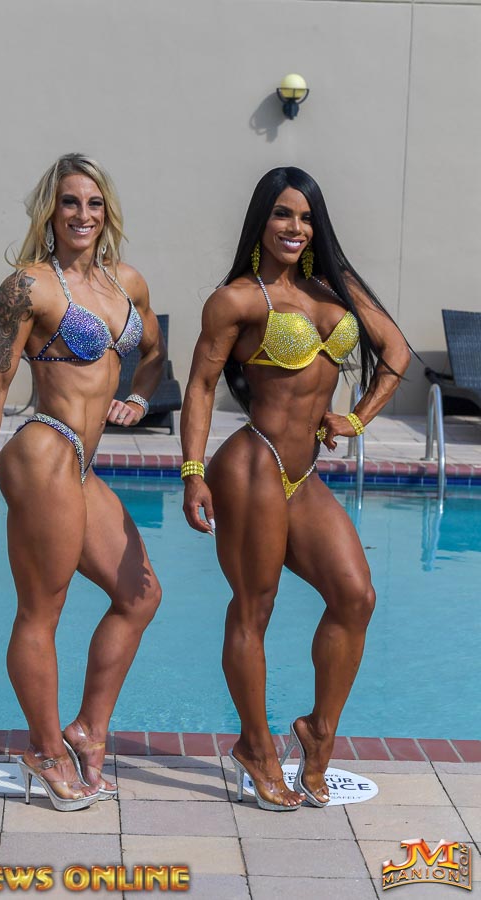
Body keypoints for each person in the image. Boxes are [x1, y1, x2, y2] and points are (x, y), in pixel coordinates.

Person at [180, 167, 410, 811]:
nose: (295, 227)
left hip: (304, 473)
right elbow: (200, 385)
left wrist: (356, 418)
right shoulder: (237, 299)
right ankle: (255, 746)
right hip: (252, 463)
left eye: (306, 217)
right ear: (262, 219)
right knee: (255, 607)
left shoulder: (336, 288)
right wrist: (193, 472)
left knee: (356, 596)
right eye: (283, 214)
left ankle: (318, 729)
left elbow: (395, 353)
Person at [0, 153, 164, 811]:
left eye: (94, 203)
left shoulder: (127, 283)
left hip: (81, 462)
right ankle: (46, 750)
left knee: (140, 595)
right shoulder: (29, 286)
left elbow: (154, 354)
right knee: (41, 611)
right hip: (44, 447)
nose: (82, 214)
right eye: (70, 202)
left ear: (107, 212)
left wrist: (139, 397)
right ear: (51, 211)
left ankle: (87, 730)